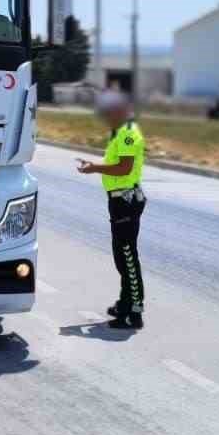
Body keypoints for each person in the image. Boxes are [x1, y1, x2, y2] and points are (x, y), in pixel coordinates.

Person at [76, 90, 146, 329]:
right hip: (119, 201)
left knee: (127, 257)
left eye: (109, 111)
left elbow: (124, 168)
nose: (106, 116)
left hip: (125, 201)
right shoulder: (120, 132)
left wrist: (95, 168)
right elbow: (114, 163)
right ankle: (125, 303)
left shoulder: (128, 133)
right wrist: (94, 165)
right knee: (121, 256)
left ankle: (133, 311)